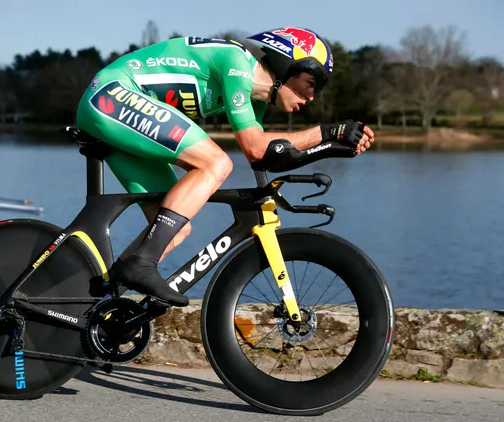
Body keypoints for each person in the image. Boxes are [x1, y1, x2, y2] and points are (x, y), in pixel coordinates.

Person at [75, 26, 374, 307]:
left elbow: (265, 156)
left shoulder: (255, 100)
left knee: (174, 229)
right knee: (215, 162)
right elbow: (254, 146)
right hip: (111, 95)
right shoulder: (237, 64)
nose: (311, 97)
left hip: (121, 111)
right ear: (287, 66)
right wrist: (326, 132)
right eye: (311, 84)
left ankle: (92, 303)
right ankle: (140, 265)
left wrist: (335, 147)